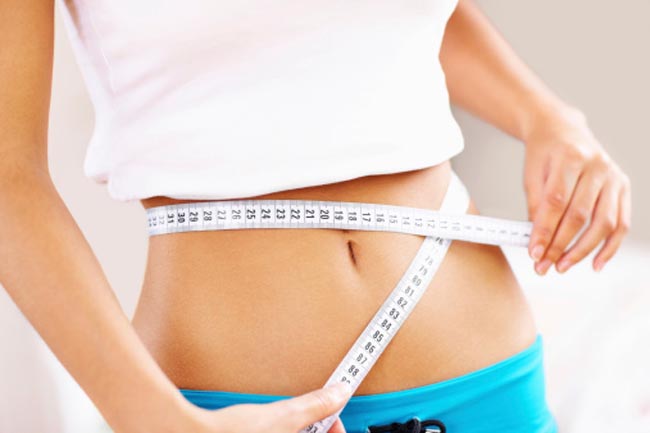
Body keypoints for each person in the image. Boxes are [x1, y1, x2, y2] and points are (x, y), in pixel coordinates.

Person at [0, 0, 631, 432]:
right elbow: (9, 180)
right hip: (226, 412)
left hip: (485, 385)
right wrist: (149, 416)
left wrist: (545, 116)